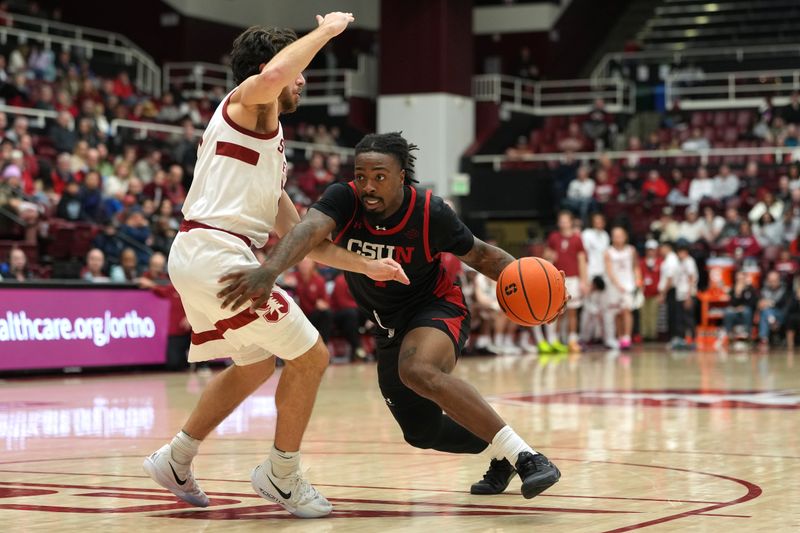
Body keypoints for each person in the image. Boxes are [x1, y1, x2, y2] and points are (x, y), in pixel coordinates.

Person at [142, 15, 409, 520]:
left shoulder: (268, 147)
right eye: (298, 70)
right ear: (272, 71)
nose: (303, 79)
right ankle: (281, 474)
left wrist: (368, 267)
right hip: (217, 255)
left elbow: (303, 239)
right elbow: (271, 78)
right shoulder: (247, 103)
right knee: (312, 357)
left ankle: (176, 458)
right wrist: (327, 32)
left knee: (257, 363)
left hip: (206, 253)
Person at [218, 132, 564, 500]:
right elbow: (307, 232)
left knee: (417, 369)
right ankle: (503, 454)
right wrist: (270, 268)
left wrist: (542, 289)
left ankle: (528, 458)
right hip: (387, 326)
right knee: (421, 432)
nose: (368, 186)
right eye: (361, 175)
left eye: (379, 177)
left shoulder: (430, 212)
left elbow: (482, 256)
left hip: (436, 307)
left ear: (402, 176)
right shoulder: (344, 199)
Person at [546, 210, 587, 353]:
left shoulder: (577, 239)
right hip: (557, 279)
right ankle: (554, 340)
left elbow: (582, 260)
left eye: (566, 220)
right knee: (556, 311)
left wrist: (584, 280)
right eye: (561, 220)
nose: (563, 222)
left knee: (572, 312)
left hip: (574, 278)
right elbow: (547, 257)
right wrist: (550, 256)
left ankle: (572, 340)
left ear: (571, 222)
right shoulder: (553, 237)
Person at [604, 226, 641, 350]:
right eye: (615, 235)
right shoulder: (608, 252)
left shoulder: (631, 250)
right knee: (617, 312)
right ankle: (619, 337)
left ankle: (627, 337)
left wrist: (638, 280)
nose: (617, 238)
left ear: (625, 237)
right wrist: (618, 285)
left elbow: (636, 267)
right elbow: (609, 271)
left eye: (620, 235)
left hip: (628, 285)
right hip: (614, 286)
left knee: (627, 310)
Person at [717, 271, 758, 350]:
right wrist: (737, 293)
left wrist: (743, 307)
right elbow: (732, 303)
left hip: (746, 312)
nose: (740, 280)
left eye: (741, 278)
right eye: (738, 279)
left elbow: (752, 303)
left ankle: (747, 334)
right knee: (728, 311)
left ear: (745, 278)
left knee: (747, 311)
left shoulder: (750, 289)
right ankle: (729, 335)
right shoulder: (733, 288)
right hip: (735, 312)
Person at [756, 270, 790, 349]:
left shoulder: (785, 290)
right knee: (765, 311)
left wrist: (772, 303)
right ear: (767, 281)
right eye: (771, 281)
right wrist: (760, 303)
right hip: (768, 314)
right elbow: (759, 303)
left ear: (779, 280)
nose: (773, 283)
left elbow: (786, 307)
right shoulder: (763, 290)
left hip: (781, 314)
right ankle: (772, 322)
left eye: (775, 280)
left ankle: (764, 338)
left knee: (766, 312)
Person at [639, 239, 661, 341]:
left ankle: (652, 335)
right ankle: (644, 335)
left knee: (653, 314)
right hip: (643, 293)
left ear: (656, 250)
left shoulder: (660, 262)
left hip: (655, 293)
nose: (651, 252)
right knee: (644, 314)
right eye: (649, 250)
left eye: (653, 250)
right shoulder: (642, 262)